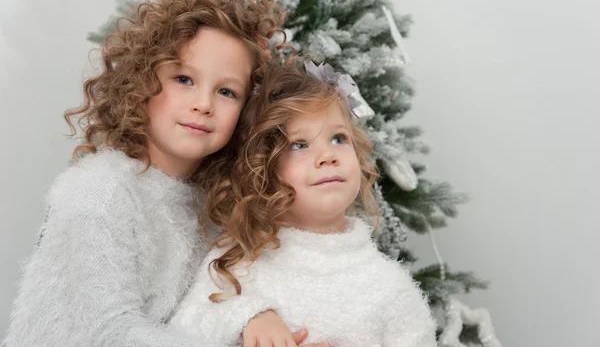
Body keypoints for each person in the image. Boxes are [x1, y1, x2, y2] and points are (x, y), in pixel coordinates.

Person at [3, 0, 326, 347]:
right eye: (184, 79)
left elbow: (193, 319)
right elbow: (111, 333)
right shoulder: (98, 189)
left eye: (226, 91)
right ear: (141, 81)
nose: (203, 104)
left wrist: (254, 317)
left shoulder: (211, 205)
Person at [170, 60, 438, 347]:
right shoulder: (236, 260)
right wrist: (248, 317)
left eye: (338, 138)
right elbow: (180, 331)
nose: (328, 156)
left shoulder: (390, 288)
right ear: (262, 171)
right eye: (299, 144)